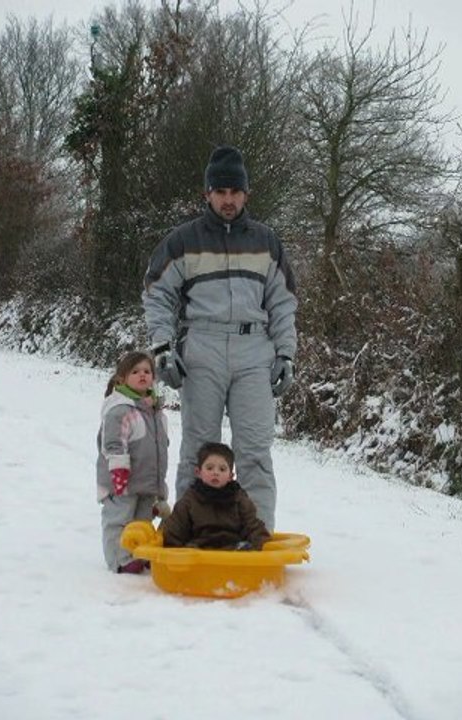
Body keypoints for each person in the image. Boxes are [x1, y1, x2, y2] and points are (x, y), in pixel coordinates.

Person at [142, 144, 297, 532]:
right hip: (203, 347)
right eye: (221, 192)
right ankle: (188, 531)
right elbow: (157, 294)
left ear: (246, 194)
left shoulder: (267, 242)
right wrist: (163, 347)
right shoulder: (183, 240)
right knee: (198, 449)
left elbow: (282, 302)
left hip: (254, 351)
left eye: (235, 192)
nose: (228, 200)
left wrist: (286, 353)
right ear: (207, 193)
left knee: (255, 451)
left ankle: (257, 535)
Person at [96, 351, 171, 574]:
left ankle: (139, 553)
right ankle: (119, 559)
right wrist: (119, 469)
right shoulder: (120, 409)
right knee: (120, 519)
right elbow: (112, 442)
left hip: (147, 480)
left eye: (147, 371)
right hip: (122, 481)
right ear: (122, 379)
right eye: (135, 372)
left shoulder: (155, 411)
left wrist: (160, 484)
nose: (142, 375)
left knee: (142, 521)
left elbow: (160, 447)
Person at [161, 442, 272, 550]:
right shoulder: (190, 500)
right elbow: (175, 529)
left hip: (233, 551)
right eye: (209, 468)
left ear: (230, 476)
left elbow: (252, 526)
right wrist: (175, 551)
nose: (216, 473)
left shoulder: (239, 499)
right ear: (198, 472)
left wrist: (263, 544)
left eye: (222, 469)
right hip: (199, 552)